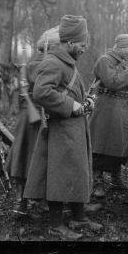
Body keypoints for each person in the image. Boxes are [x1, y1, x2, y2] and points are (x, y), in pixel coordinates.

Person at [23, 15, 102, 240]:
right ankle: (56, 225)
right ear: (69, 43)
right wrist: (71, 105)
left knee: (78, 171)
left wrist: (86, 100)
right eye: (82, 44)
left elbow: (68, 91)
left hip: (75, 128)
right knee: (58, 176)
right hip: (60, 130)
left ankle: (79, 217)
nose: (85, 49)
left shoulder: (68, 63)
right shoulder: (53, 62)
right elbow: (41, 92)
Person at [5, 26, 60, 216]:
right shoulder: (48, 64)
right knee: (36, 159)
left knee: (22, 157)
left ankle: (20, 202)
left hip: (26, 117)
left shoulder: (31, 64)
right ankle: (37, 201)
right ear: (52, 47)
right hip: (39, 117)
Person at [90, 34, 128, 198]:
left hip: (124, 107)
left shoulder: (127, 62)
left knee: (121, 145)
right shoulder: (105, 60)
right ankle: (97, 182)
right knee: (101, 144)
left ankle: (116, 178)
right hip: (107, 107)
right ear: (123, 47)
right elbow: (112, 82)